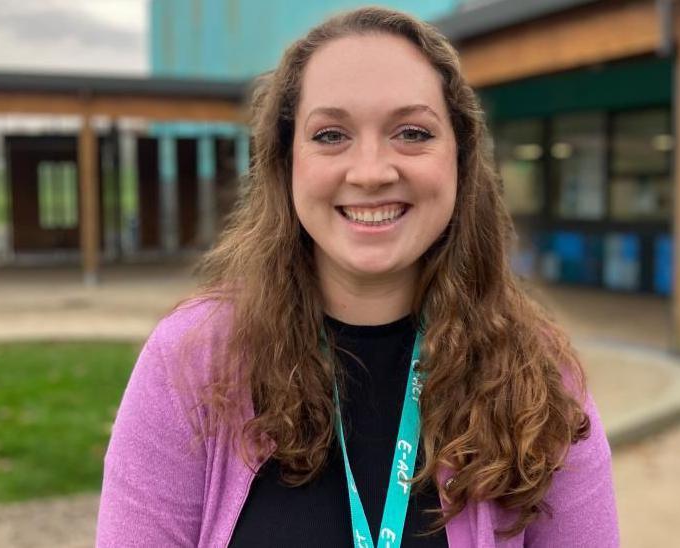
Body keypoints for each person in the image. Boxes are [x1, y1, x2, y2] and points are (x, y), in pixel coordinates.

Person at [96, 7, 618, 547]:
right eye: (331, 135)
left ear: (460, 160)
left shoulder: (540, 376)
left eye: (412, 132)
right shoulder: (190, 362)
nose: (370, 172)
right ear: (285, 160)